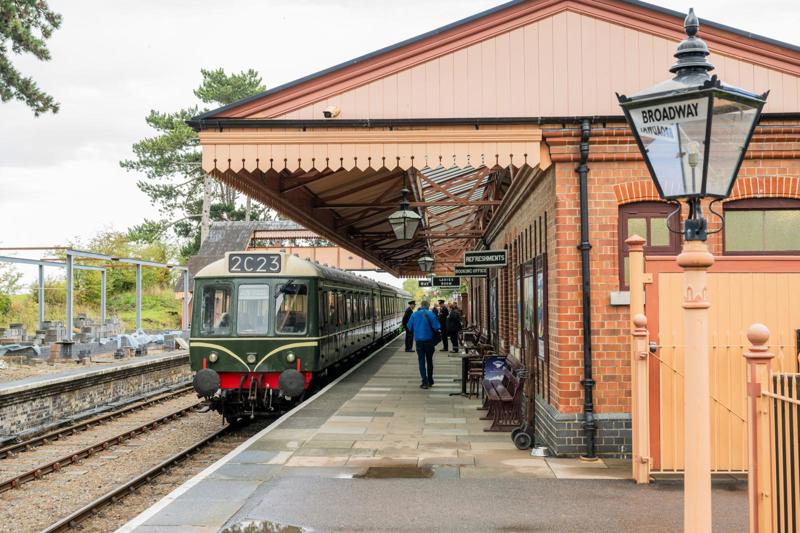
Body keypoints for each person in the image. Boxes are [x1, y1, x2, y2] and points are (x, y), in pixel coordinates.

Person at [406, 300, 441, 389]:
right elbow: (437, 327)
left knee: (421, 362)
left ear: (421, 306)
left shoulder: (414, 314)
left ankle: (424, 382)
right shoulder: (431, 314)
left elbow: (409, 327)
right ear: (428, 306)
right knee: (429, 361)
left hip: (419, 342)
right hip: (429, 341)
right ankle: (430, 380)